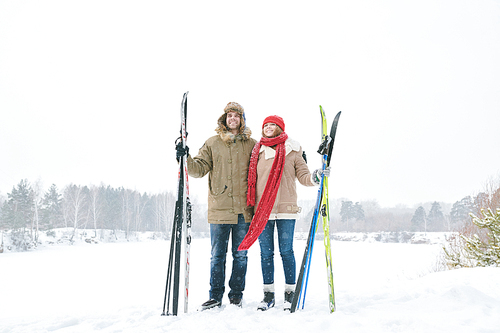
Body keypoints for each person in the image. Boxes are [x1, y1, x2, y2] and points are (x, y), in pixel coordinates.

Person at [237, 115, 327, 311]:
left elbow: (303, 176)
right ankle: (268, 296)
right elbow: (248, 180)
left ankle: (289, 294)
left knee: (286, 252)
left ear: (280, 128)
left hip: (286, 210)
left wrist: (315, 176)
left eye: (272, 125)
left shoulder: (293, 150)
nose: (268, 127)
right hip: (263, 211)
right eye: (266, 125)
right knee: (266, 254)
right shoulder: (257, 152)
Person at [176, 102, 257, 310]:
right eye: (229, 115)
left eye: (236, 116)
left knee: (240, 255)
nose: (233, 119)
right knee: (217, 256)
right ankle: (215, 296)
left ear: (242, 119)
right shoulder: (212, 143)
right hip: (219, 209)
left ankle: (236, 295)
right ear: (224, 119)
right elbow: (199, 169)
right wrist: (185, 157)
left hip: (243, 211)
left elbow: (266, 165)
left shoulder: (252, 144)